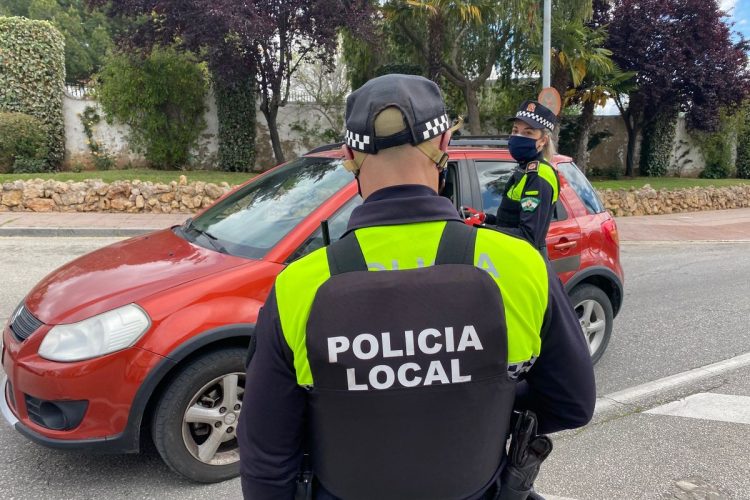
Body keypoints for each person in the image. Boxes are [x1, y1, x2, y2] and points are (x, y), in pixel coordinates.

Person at [237, 74, 595, 500]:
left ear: (350, 155)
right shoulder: (521, 266)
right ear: (444, 143)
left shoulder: (299, 285)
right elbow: (572, 403)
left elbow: (265, 455)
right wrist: (483, 395)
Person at [484, 100, 561, 254]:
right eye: (515, 130)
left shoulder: (539, 174)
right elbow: (509, 221)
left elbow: (528, 236)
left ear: (543, 141)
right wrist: (484, 218)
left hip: (525, 263)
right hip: (510, 256)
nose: (518, 137)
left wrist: (483, 231)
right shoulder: (524, 168)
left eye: (528, 132)